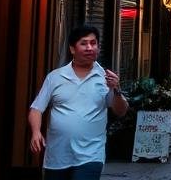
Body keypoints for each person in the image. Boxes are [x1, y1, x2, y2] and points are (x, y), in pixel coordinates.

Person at [27, 25, 128, 180]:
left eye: (93, 43)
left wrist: (116, 89)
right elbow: (36, 109)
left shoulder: (105, 78)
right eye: (84, 43)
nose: (89, 47)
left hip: (91, 155)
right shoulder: (55, 77)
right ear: (72, 49)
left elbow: (121, 111)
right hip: (57, 157)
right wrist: (35, 132)